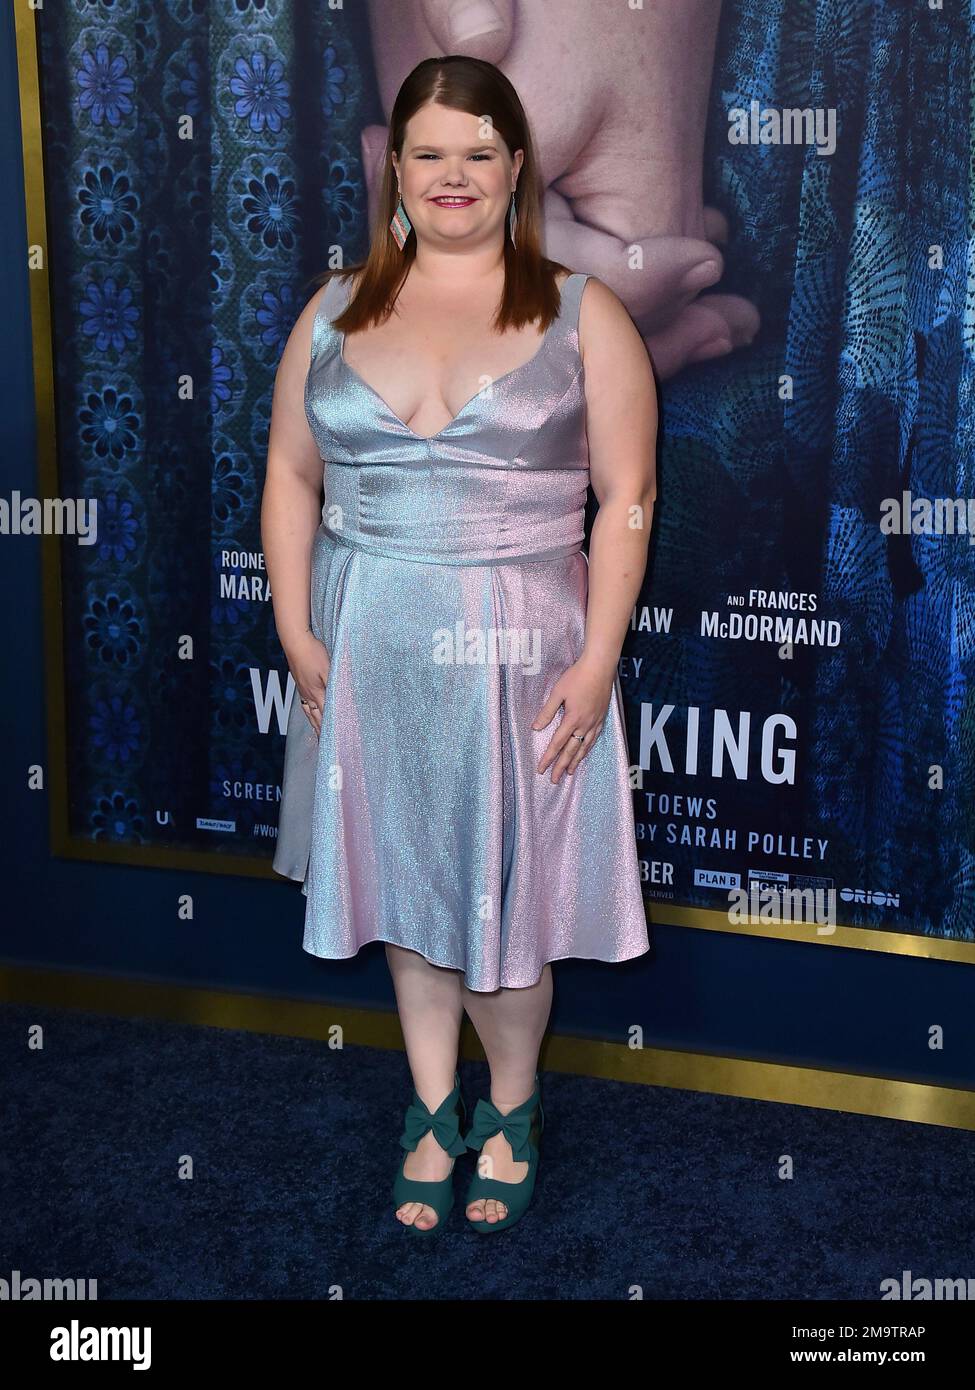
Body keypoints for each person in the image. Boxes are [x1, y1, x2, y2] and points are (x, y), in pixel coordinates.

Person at [261, 55, 658, 1236]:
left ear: (516, 169)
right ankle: (435, 1109)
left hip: (522, 655)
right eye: (429, 151)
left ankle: (516, 1105)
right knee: (401, 888)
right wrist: (294, 624)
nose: (453, 175)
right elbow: (291, 474)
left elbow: (628, 497)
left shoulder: (588, 312)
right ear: (396, 167)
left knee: (510, 904)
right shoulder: (332, 309)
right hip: (368, 640)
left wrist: (596, 662)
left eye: (479, 153)